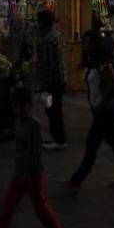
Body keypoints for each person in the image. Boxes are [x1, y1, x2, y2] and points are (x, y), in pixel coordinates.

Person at [0, 87, 62, 228]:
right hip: (20, 173)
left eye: (22, 105)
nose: (19, 109)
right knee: (8, 206)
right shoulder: (19, 122)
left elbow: (35, 153)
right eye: (16, 106)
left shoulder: (33, 125)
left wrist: (28, 174)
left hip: (32, 175)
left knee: (39, 207)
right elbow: (10, 135)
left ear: (29, 105)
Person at [65, 30, 114, 189]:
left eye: (90, 43)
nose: (86, 46)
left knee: (92, 144)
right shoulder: (90, 62)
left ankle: (76, 181)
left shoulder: (104, 63)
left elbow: (113, 84)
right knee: (113, 141)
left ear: (97, 44)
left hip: (105, 110)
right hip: (97, 109)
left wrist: (102, 103)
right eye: (85, 42)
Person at [34, 9, 68, 151]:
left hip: (52, 83)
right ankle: (57, 137)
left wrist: (43, 85)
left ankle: (59, 140)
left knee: (53, 111)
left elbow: (49, 65)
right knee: (54, 110)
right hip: (60, 80)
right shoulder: (57, 36)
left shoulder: (47, 40)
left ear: (42, 23)